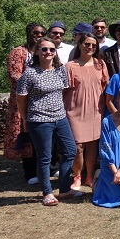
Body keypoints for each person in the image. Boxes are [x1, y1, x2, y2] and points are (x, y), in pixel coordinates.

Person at [16, 37, 78, 205]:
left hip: (60, 118)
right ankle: (47, 193)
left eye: (51, 49)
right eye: (44, 49)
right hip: (39, 120)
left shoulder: (60, 70)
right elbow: (21, 98)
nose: (48, 52)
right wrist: (24, 118)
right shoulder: (29, 73)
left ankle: (64, 189)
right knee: (44, 157)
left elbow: (63, 92)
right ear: (37, 51)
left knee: (70, 150)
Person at [64, 33, 109, 191]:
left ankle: (89, 176)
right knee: (78, 146)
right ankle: (77, 176)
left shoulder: (100, 64)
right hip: (75, 110)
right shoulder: (70, 66)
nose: (90, 47)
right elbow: (64, 91)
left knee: (92, 145)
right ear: (80, 45)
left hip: (95, 110)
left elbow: (104, 86)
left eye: (93, 45)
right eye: (87, 44)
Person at [5, 22, 45, 184]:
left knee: (40, 135)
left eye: (42, 33)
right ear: (29, 34)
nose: (39, 35)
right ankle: (29, 172)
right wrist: (36, 85)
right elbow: (15, 76)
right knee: (26, 134)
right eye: (36, 33)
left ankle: (41, 169)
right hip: (23, 101)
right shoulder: (19, 52)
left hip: (40, 101)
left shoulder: (43, 52)